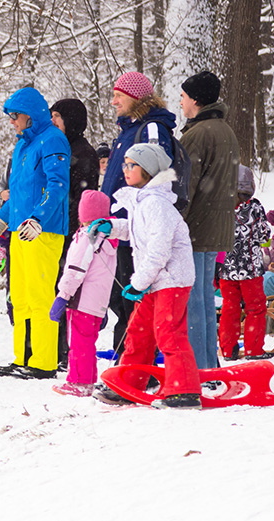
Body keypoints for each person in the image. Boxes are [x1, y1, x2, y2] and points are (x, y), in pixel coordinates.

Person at [92, 143, 201, 409]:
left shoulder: (157, 205)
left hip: (171, 279)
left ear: (149, 171)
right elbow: (135, 230)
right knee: (138, 332)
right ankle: (129, 384)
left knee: (169, 333)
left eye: (132, 165)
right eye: (125, 164)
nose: (125, 170)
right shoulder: (142, 201)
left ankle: (184, 390)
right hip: (154, 279)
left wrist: (137, 283)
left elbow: (159, 249)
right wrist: (113, 226)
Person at [0, 87, 71, 380]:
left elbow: (57, 185)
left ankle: (44, 361)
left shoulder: (52, 140)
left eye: (15, 116)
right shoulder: (23, 145)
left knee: (40, 297)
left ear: (30, 115)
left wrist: (38, 218)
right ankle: (23, 357)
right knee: (21, 297)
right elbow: (20, 193)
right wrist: (2, 219)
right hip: (19, 231)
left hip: (43, 231)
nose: (12, 121)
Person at [99, 72, 176, 356]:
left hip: (140, 230)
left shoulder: (151, 127)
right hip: (125, 227)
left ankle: (134, 365)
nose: (113, 101)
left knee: (136, 303)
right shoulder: (128, 130)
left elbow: (158, 171)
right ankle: (129, 363)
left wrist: (137, 210)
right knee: (123, 303)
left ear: (135, 97)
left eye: (119, 95)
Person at [178, 70, 240, 370]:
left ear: (196, 100)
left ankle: (197, 366)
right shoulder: (224, 130)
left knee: (193, 300)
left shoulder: (198, 134)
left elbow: (186, 186)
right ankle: (208, 363)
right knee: (202, 296)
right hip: (216, 225)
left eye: (183, 96)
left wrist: (175, 223)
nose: (181, 101)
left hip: (196, 227)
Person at [49, 190, 117, 397]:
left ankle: (79, 381)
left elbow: (75, 270)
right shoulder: (107, 237)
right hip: (97, 300)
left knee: (78, 343)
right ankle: (87, 378)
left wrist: (63, 295)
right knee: (87, 342)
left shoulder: (88, 238)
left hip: (81, 299)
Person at [50, 98, 101, 370]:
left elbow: (80, 198)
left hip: (72, 231)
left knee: (67, 289)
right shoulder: (61, 148)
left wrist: (69, 226)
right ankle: (58, 349)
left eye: (58, 116)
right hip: (58, 228)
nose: (53, 121)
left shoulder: (82, 152)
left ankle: (66, 351)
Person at [218, 166, 271, 361]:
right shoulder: (254, 207)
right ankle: (253, 349)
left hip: (226, 268)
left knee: (229, 308)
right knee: (255, 308)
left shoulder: (221, 207)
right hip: (250, 268)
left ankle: (228, 350)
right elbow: (263, 235)